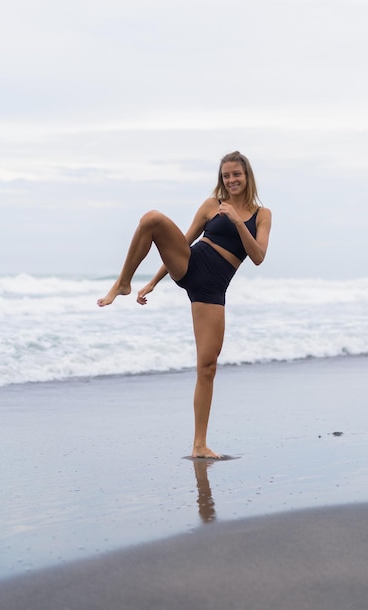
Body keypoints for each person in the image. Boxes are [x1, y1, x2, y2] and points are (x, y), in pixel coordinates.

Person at [97, 151, 272, 458]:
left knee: (207, 367)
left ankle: (199, 445)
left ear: (247, 177)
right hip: (191, 265)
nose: (231, 180)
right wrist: (153, 281)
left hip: (213, 288)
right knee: (152, 219)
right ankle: (123, 283)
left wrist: (236, 219)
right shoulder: (211, 205)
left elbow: (258, 256)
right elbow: (185, 241)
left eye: (236, 175)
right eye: (226, 175)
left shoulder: (262, 214)